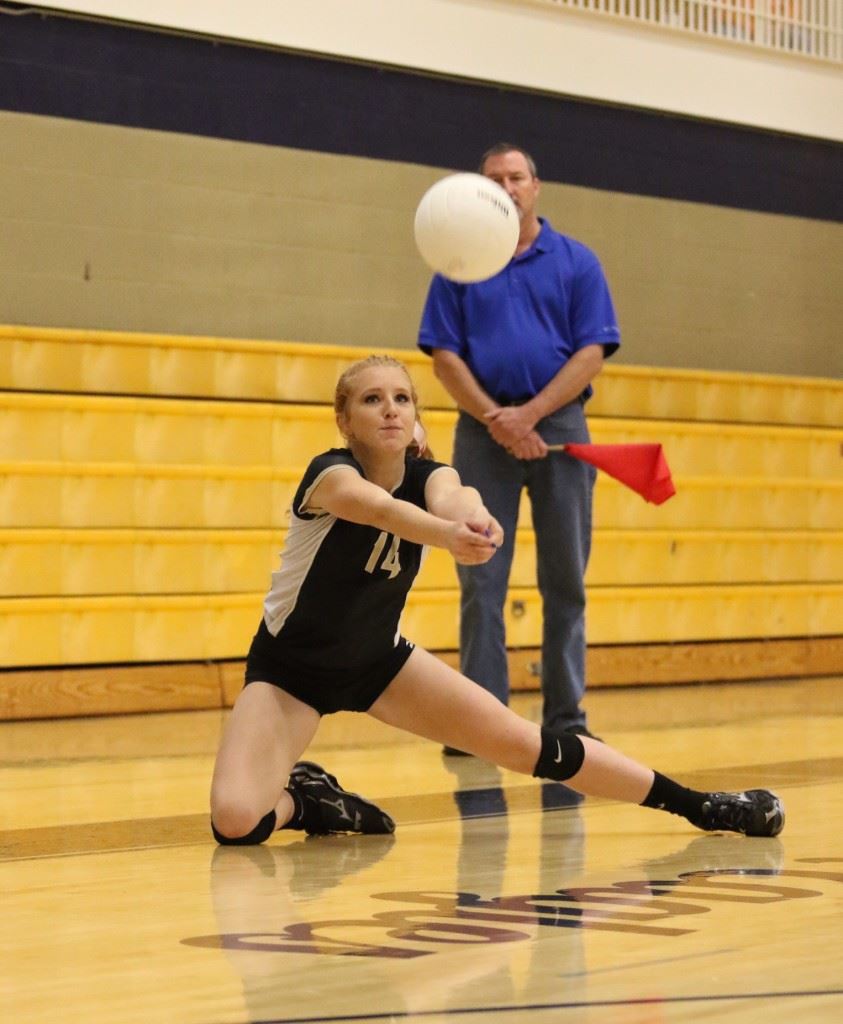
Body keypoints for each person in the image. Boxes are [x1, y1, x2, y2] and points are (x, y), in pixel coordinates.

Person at [209, 355, 784, 845]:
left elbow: (455, 496)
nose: (389, 408)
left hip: (378, 664)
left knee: (524, 743)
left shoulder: (431, 474)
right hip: (290, 670)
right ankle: (309, 802)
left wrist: (475, 521)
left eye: (402, 398)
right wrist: (446, 536)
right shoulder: (330, 474)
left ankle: (702, 805)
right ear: (345, 420)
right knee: (237, 821)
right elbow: (380, 510)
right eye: (371, 399)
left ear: (415, 419)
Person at [417, 142, 620, 748]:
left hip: (560, 433)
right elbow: (443, 355)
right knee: (481, 578)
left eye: (516, 177)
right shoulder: (457, 264)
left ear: (536, 186)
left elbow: (591, 353)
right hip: (481, 434)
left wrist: (529, 415)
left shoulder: (578, 262)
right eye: (493, 180)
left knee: (566, 582)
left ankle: (567, 721)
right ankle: (481, 723)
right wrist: (497, 418)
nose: (506, 187)